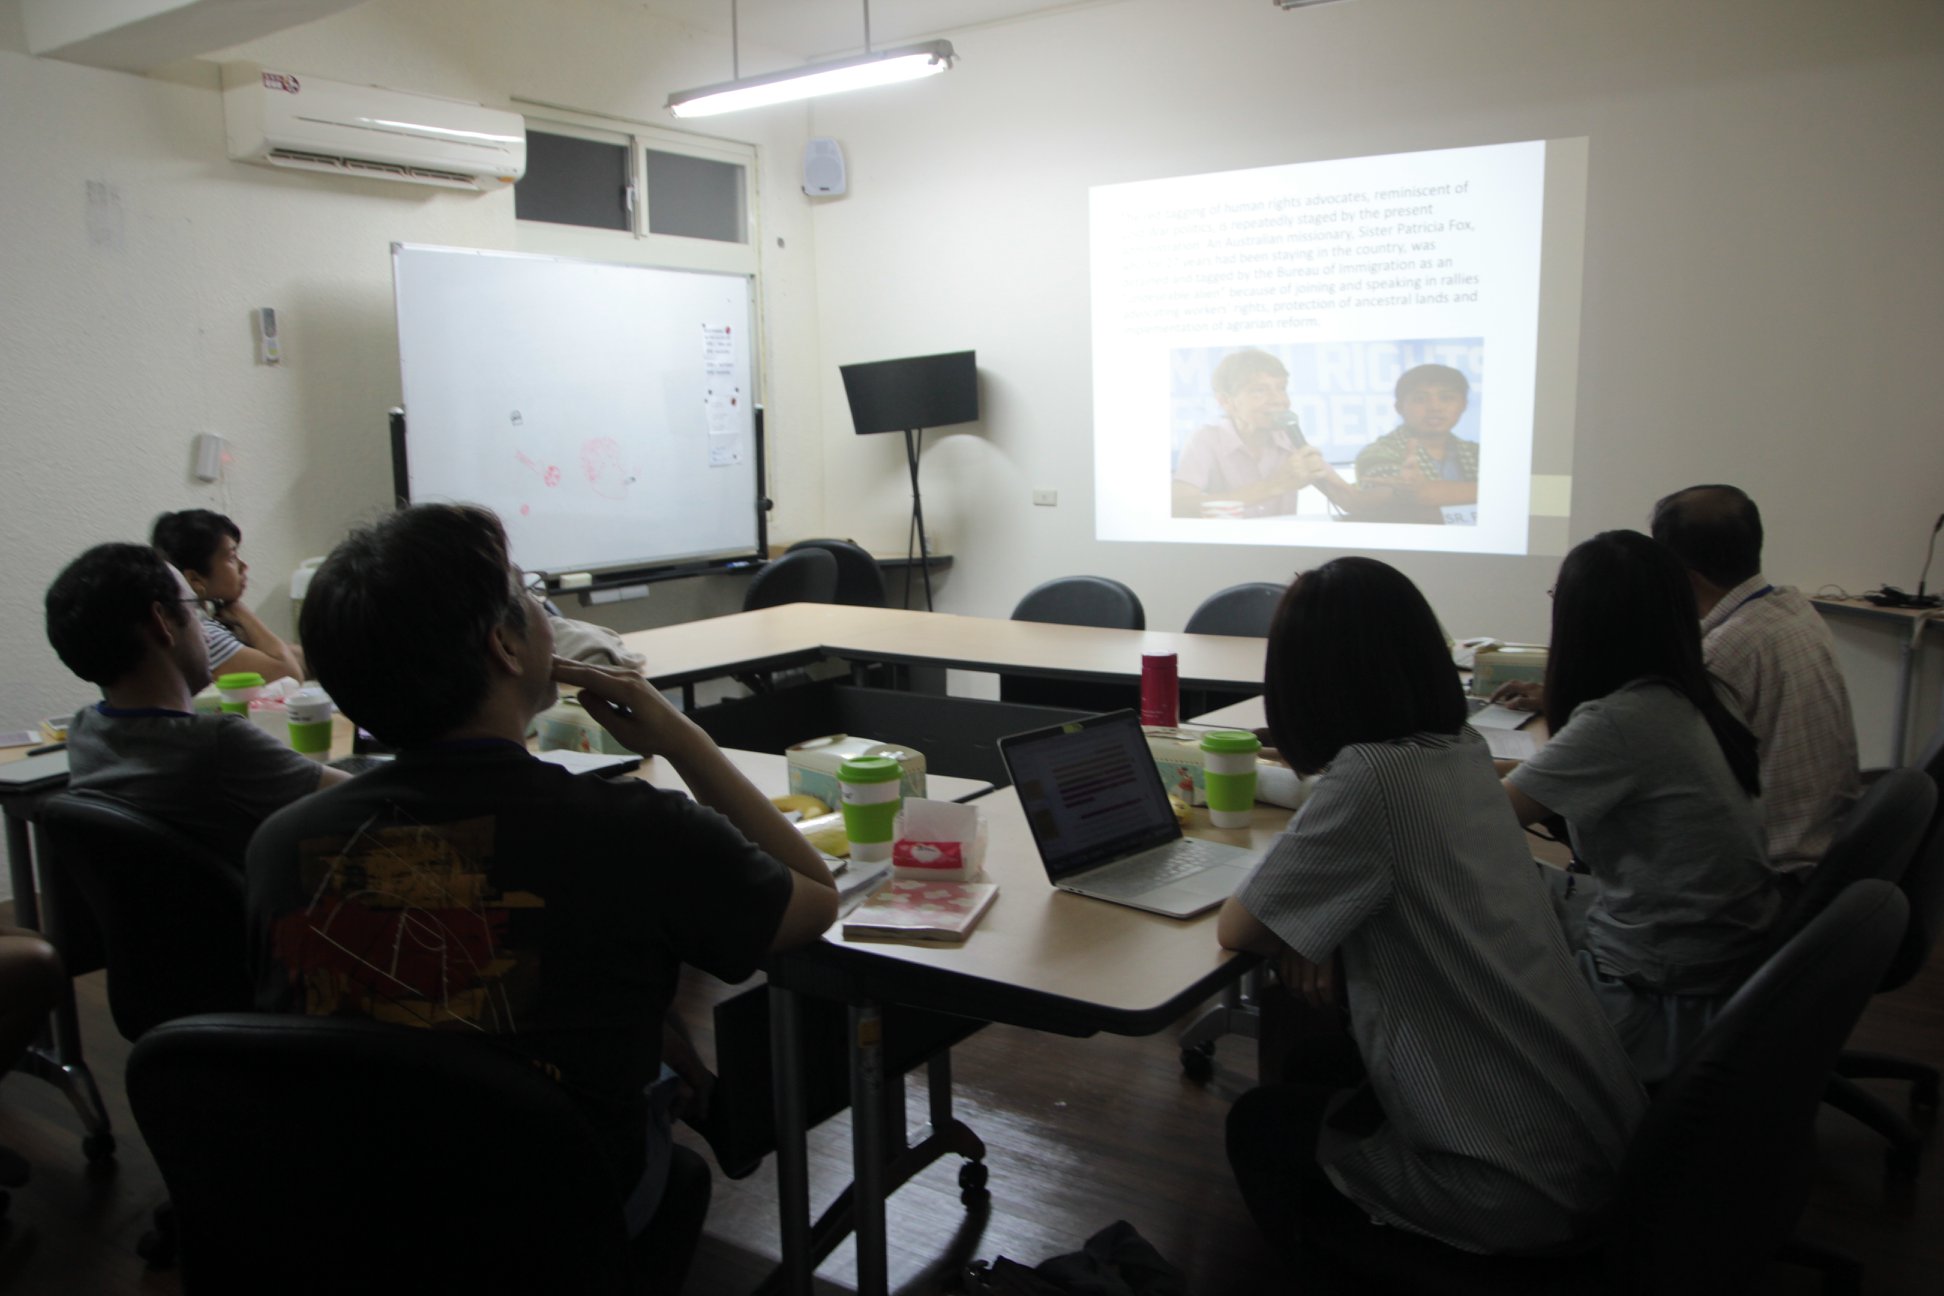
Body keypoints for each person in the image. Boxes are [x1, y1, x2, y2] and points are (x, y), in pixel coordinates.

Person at [246, 503, 838, 1291]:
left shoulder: (281, 844)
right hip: (553, 1215)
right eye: (526, 589)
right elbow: (814, 899)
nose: (541, 607)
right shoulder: (636, 831)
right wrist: (683, 739)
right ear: (505, 644)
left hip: (354, 1213)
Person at [1219, 558, 1644, 1259]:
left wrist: (1308, 929)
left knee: (1258, 1125)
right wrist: (1319, 928)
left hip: (1509, 1190)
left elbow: (1241, 927)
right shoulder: (1462, 749)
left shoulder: (1370, 776)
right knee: (1320, 1057)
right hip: (1595, 1149)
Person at [1503, 530, 1785, 1081]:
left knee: (1462, 902)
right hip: (1717, 955)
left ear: (1583, 621)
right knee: (1513, 885)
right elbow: (1533, 786)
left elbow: (1478, 820)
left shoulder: (1621, 721)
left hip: (1656, 990)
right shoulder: (1696, 691)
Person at [1494, 486, 1861, 879]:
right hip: (1815, 849)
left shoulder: (1715, 658)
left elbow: (1509, 806)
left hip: (1766, 870)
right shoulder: (1791, 609)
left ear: (1678, 576)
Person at [43, 543, 342, 867]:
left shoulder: (84, 731)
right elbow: (359, 799)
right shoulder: (219, 744)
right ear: (162, 622)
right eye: (197, 608)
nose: (207, 631)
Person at [1649, 485, 1861, 876]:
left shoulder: (1726, 650)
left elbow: (1654, 768)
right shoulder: (1793, 609)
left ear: (1686, 578)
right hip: (1825, 848)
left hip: (1770, 873)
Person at [1172, 349, 1332, 518]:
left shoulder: (1290, 436)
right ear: (1226, 401)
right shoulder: (1206, 439)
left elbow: (1346, 500)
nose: (1279, 400)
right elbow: (1178, 506)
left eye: (1281, 388)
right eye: (1259, 390)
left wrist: (1320, 471)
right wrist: (1273, 485)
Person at [150, 509, 305, 684]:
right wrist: (241, 611)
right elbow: (289, 674)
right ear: (195, 579)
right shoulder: (203, 633)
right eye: (232, 557)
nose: (243, 566)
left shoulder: (200, 622)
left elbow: (296, 657)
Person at [1341, 363, 1480, 524]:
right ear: (1399, 407)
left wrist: (1428, 491)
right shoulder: (1376, 453)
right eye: (1420, 399)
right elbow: (1406, 508)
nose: (1435, 407)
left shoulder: (1476, 452)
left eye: (1446, 398)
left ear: (1463, 405)